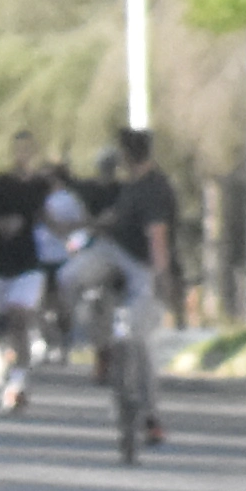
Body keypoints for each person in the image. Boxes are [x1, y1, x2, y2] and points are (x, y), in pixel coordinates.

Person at [76, 127, 185, 448]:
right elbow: (117, 219)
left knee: (142, 342)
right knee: (78, 283)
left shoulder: (153, 189)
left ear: (127, 156)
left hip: (147, 270)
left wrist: (162, 279)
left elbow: (157, 238)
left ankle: (151, 416)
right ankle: (102, 350)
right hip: (118, 264)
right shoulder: (131, 188)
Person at [0, 137, 62, 409]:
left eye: (28, 149)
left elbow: (47, 218)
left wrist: (84, 227)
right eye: (19, 149)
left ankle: (18, 383)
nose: (23, 154)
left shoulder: (38, 187)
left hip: (28, 264)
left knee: (19, 317)